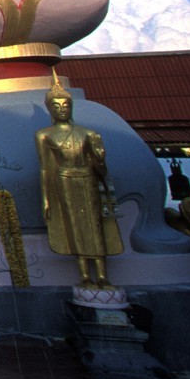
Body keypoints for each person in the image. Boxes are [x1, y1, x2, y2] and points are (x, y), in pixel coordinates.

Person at [35, 72, 123, 287]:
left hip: (87, 180)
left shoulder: (88, 133)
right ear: (50, 109)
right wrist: (46, 199)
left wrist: (99, 159)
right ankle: (84, 273)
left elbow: (101, 167)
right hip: (64, 181)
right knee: (73, 224)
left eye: (65, 105)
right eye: (56, 106)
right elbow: (46, 169)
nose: (62, 109)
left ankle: (102, 274)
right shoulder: (44, 135)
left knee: (94, 224)